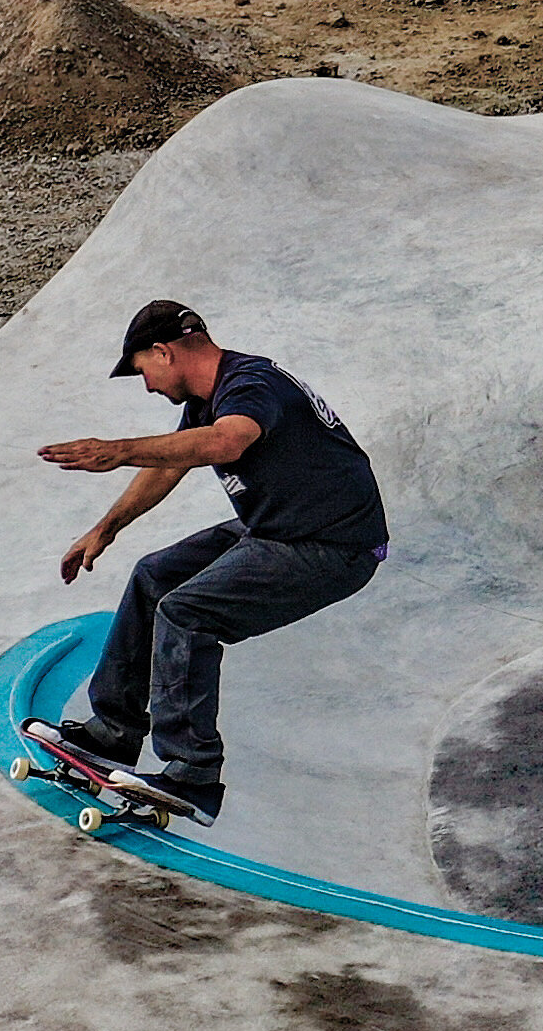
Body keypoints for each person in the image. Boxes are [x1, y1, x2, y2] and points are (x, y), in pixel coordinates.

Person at [33, 299, 390, 824]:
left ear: (163, 352)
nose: (149, 387)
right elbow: (173, 461)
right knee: (154, 576)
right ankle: (114, 731)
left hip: (331, 546)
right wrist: (105, 528)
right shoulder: (208, 397)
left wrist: (117, 448)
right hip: (274, 527)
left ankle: (193, 775)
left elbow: (227, 441)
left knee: (186, 612)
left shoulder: (250, 383)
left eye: (143, 373)